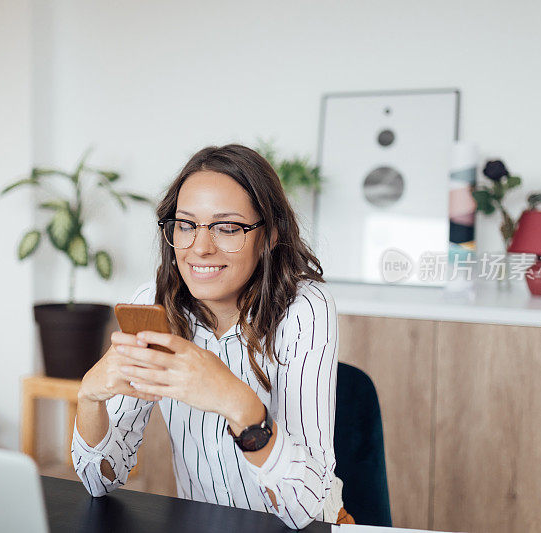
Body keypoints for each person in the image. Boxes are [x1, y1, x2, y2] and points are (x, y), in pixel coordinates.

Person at [71, 144, 354, 528]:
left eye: (227, 227)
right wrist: (89, 396)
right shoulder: (153, 304)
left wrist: (237, 402)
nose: (200, 248)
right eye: (186, 225)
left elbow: (303, 509)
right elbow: (99, 480)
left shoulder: (304, 309)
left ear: (269, 235)